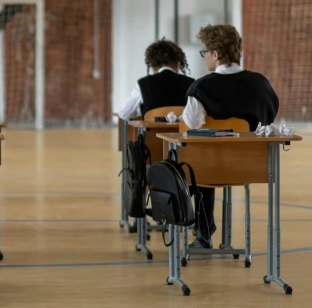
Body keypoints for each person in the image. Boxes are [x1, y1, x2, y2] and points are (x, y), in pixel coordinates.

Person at [182, 24, 279, 249]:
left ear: (215, 54)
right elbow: (269, 117)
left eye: (204, 52)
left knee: (196, 159)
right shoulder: (261, 84)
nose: (204, 57)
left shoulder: (202, 87)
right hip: (250, 166)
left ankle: (201, 232)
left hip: (209, 168)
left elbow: (190, 125)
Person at [117, 38, 194, 121]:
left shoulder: (143, 84)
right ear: (178, 64)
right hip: (182, 133)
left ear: (152, 66)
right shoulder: (191, 83)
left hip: (152, 134)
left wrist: (142, 112)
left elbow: (123, 113)